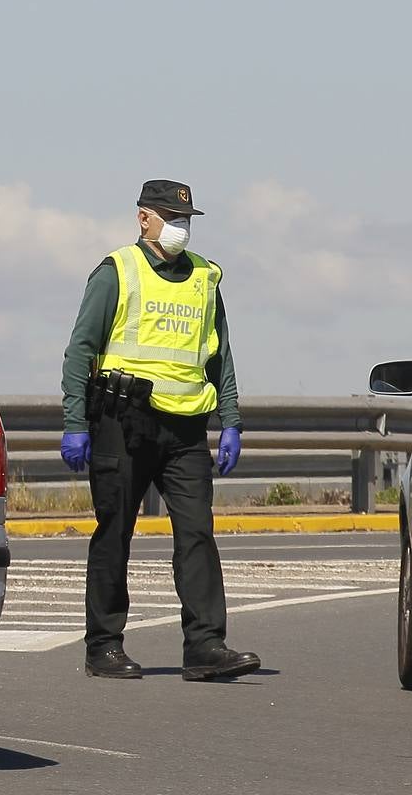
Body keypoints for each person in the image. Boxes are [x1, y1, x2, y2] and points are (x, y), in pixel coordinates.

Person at [58, 180, 261, 682]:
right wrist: (73, 423)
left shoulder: (205, 280)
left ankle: (206, 646)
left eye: (186, 219)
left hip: (187, 426)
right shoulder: (116, 272)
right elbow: (80, 349)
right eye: (171, 217)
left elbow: (221, 357)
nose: (181, 228)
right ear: (143, 218)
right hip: (122, 422)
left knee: (196, 533)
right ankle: (103, 647)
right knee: (115, 534)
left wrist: (231, 420)